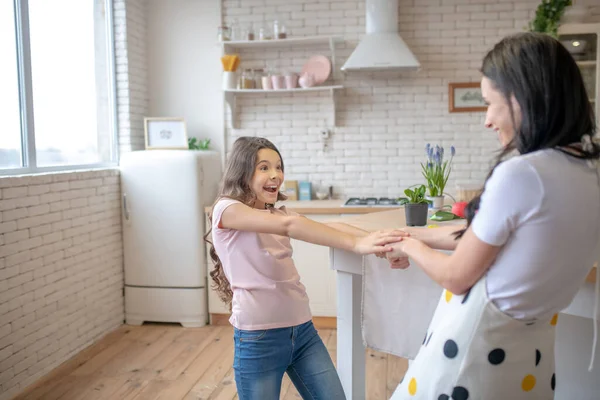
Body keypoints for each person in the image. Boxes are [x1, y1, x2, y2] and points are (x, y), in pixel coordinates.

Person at [388, 32, 600, 400]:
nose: (486, 119)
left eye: (490, 103)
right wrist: (418, 235)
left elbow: (456, 277)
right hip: (529, 367)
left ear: (523, 98)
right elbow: (494, 236)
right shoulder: (588, 171)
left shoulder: (523, 174)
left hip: (470, 362)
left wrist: (408, 245)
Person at [205, 136, 406, 400]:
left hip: (302, 332)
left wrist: (379, 243)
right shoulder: (226, 209)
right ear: (242, 173)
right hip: (258, 340)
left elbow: (333, 227)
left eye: (278, 166)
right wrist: (358, 244)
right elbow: (293, 226)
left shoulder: (275, 214)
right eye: (264, 167)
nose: (275, 174)